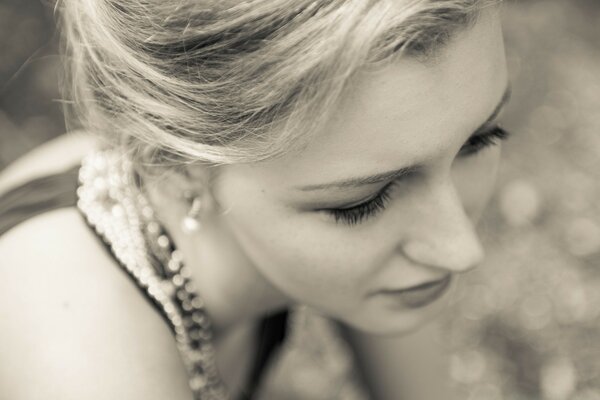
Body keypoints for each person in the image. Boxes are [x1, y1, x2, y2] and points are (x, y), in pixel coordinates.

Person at [0, 0, 511, 399]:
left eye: (479, 140)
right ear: (174, 166)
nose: (460, 248)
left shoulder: (333, 194)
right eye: (362, 203)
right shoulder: (84, 362)